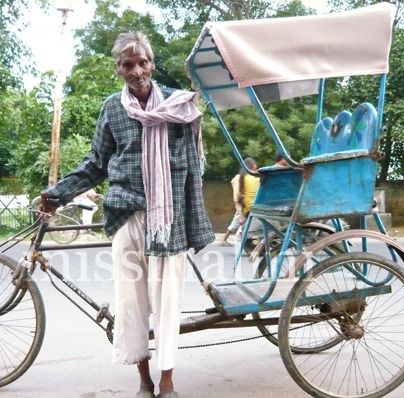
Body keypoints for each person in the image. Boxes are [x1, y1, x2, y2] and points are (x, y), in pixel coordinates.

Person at [40, 31, 214, 398]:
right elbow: (95, 164)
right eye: (128, 64)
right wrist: (57, 195)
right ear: (118, 69)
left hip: (168, 220)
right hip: (126, 216)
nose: (137, 71)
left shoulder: (179, 105)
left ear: (151, 63)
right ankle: (144, 380)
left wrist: (190, 218)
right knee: (131, 302)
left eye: (143, 62)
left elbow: (191, 167)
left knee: (168, 302)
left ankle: (167, 382)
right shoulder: (111, 109)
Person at [219, 157, 260, 246]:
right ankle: (224, 239)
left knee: (238, 223)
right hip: (243, 205)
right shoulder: (246, 178)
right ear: (253, 166)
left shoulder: (239, 177)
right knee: (236, 223)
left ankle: (225, 239)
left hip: (241, 203)